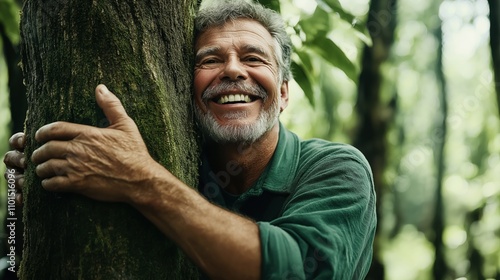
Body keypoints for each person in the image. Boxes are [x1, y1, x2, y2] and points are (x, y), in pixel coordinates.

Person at [3, 0, 376, 279]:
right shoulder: (178, 163)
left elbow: (301, 268)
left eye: (253, 58)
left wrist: (138, 178)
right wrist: (33, 213)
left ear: (283, 92)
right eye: (210, 60)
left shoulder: (338, 168)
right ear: (185, 87)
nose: (232, 69)